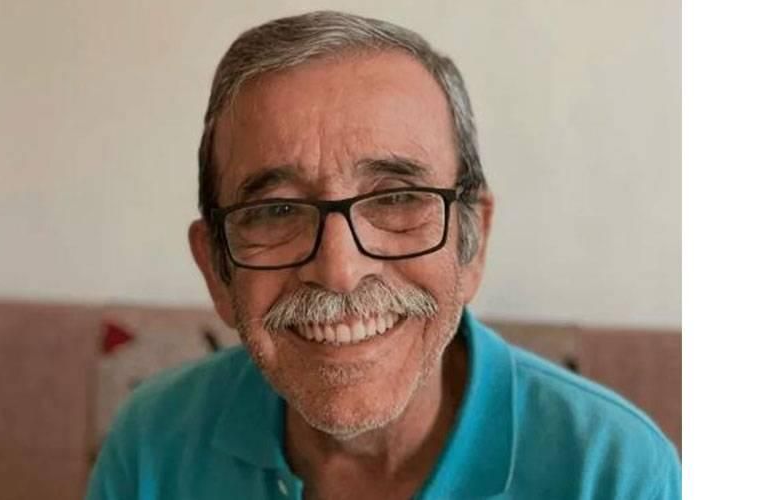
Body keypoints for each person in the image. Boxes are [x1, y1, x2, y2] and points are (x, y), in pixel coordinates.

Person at [87, 11, 681, 499]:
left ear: (472, 241)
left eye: (397, 198)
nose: (339, 271)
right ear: (216, 269)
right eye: (277, 210)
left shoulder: (613, 472)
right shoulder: (151, 442)